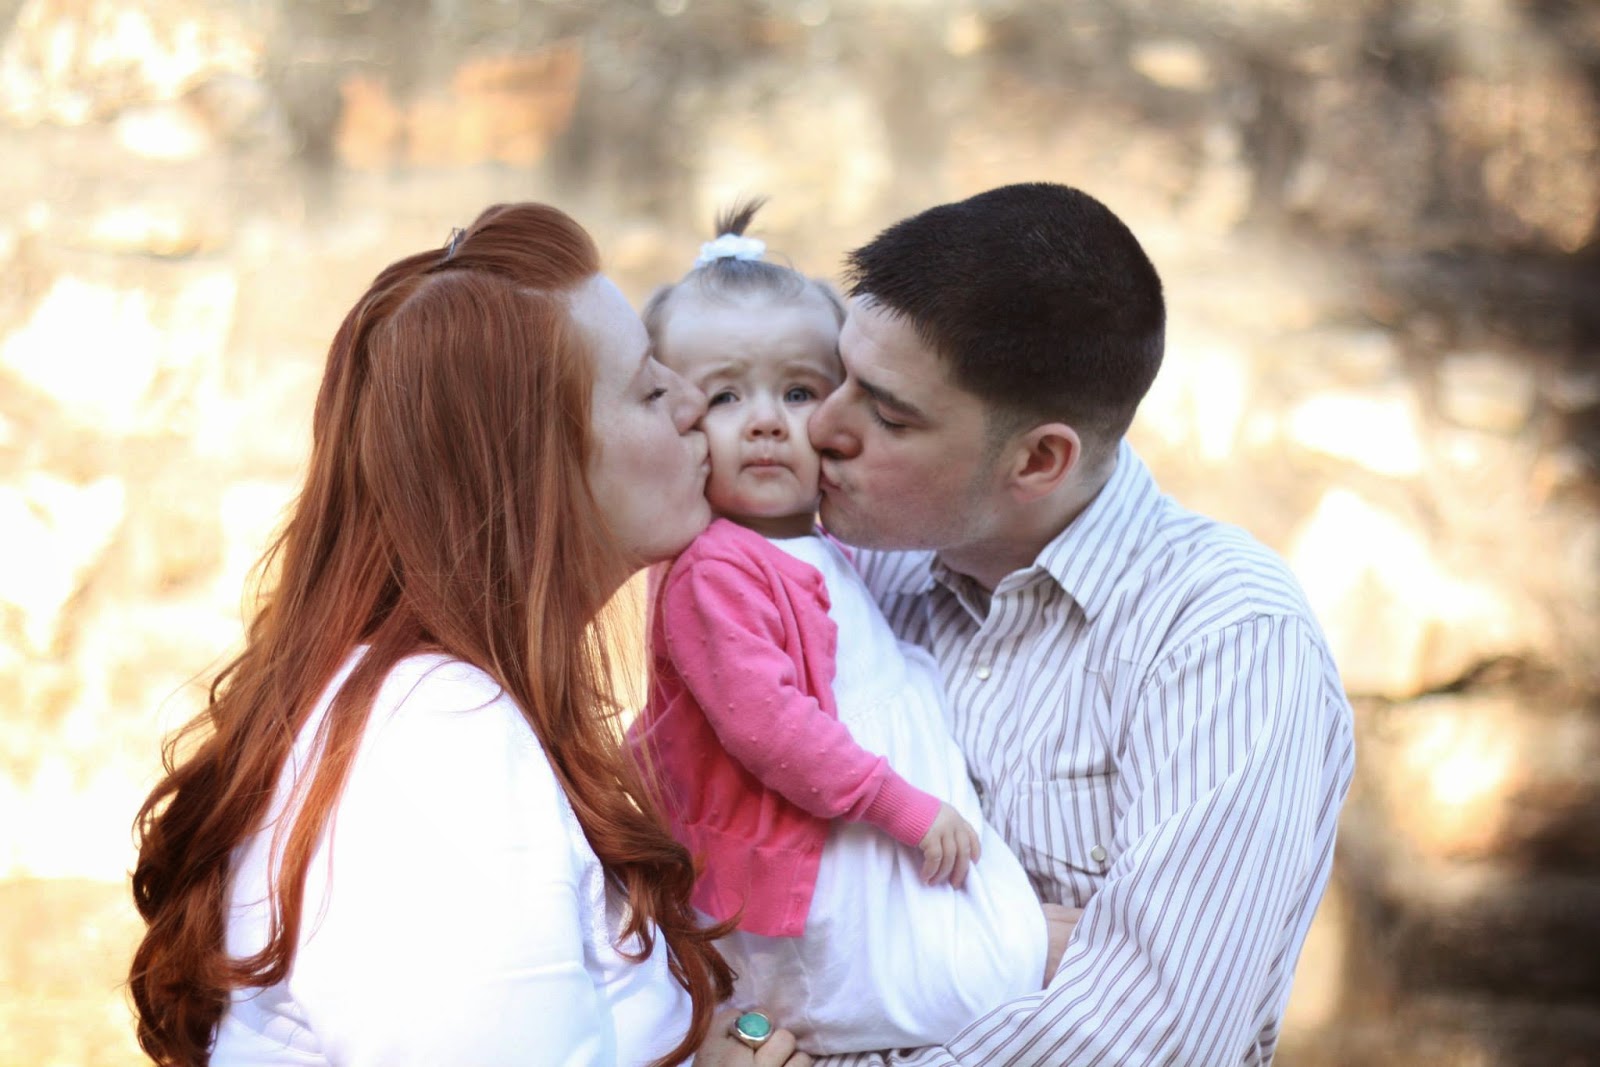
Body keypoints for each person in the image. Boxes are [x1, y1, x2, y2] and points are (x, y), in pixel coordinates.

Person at [126, 203, 812, 1067]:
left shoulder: (437, 706)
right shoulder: (438, 737)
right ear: (539, 468)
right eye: (647, 388)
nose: (690, 402)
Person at [805, 182, 1358, 1066]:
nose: (821, 426)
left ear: (1039, 459)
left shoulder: (1225, 637)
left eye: (888, 413)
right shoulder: (843, 578)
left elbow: (1147, 1040)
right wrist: (1017, 940)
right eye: (832, 375)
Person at [629, 203, 1069, 1056]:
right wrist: (898, 804)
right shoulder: (716, 569)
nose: (767, 420)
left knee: (1025, 952)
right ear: (675, 419)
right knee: (995, 975)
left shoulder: (825, 541)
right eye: (724, 396)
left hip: (865, 831)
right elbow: (771, 725)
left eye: (799, 391)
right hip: (825, 851)